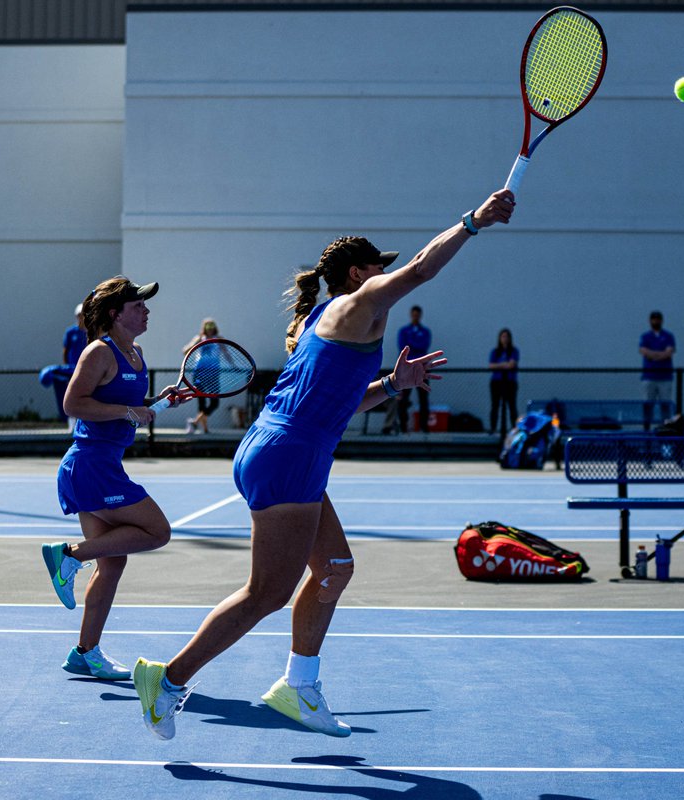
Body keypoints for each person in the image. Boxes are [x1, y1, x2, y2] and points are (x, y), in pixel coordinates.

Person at [132, 188, 517, 740]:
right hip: (289, 455)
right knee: (266, 593)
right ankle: (166, 681)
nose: (384, 274)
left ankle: (299, 687)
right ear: (358, 273)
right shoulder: (356, 305)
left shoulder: (321, 320)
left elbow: (340, 402)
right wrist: (474, 222)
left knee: (335, 567)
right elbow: (422, 270)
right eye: (376, 267)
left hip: (288, 451)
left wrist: (393, 384)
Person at [40, 276, 192, 682]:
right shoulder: (98, 352)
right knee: (158, 531)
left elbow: (123, 402)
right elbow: (75, 403)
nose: (146, 310)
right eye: (138, 305)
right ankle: (68, 555)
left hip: (103, 465)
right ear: (115, 314)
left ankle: (84, 652)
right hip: (89, 464)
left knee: (111, 562)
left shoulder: (135, 353)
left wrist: (159, 400)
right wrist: (130, 413)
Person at [39, 303, 88, 429]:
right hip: (73, 369)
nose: (81, 318)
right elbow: (66, 350)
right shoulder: (71, 332)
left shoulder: (91, 332)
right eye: (79, 315)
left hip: (87, 370)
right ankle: (72, 422)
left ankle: (84, 422)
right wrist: (67, 367)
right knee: (71, 394)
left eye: (82, 315)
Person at [396, 306, 432, 433]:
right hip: (407, 368)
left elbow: (424, 345)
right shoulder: (404, 331)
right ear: (411, 315)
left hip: (422, 368)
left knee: (423, 398)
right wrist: (414, 344)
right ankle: (403, 427)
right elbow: (403, 346)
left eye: (418, 315)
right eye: (414, 314)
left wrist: (412, 343)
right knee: (404, 398)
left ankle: (424, 426)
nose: (415, 317)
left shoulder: (425, 331)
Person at [639, 310, 676, 430]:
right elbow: (643, 351)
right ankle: (646, 432)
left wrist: (653, 355)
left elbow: (669, 353)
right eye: (653, 319)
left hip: (665, 377)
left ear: (661, 320)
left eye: (658, 319)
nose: (655, 321)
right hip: (649, 377)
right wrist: (660, 354)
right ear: (650, 321)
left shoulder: (668, 336)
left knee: (665, 406)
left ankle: (666, 431)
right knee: (647, 406)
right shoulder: (645, 336)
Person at [183, 318, 221, 434]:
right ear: (204, 328)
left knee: (214, 403)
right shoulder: (199, 338)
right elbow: (185, 351)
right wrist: (196, 343)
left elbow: (227, 353)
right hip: (199, 373)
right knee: (202, 402)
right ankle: (205, 428)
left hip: (213, 374)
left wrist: (234, 365)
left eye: (211, 326)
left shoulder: (219, 339)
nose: (209, 329)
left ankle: (194, 422)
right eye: (207, 326)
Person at [488, 328, 519, 435]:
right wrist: (504, 365)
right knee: (495, 406)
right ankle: (493, 429)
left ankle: (515, 430)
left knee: (511, 406)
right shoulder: (495, 352)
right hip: (496, 382)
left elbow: (512, 365)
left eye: (507, 336)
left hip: (510, 382)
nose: (505, 339)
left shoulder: (514, 351)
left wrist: (500, 365)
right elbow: (491, 365)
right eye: (503, 336)